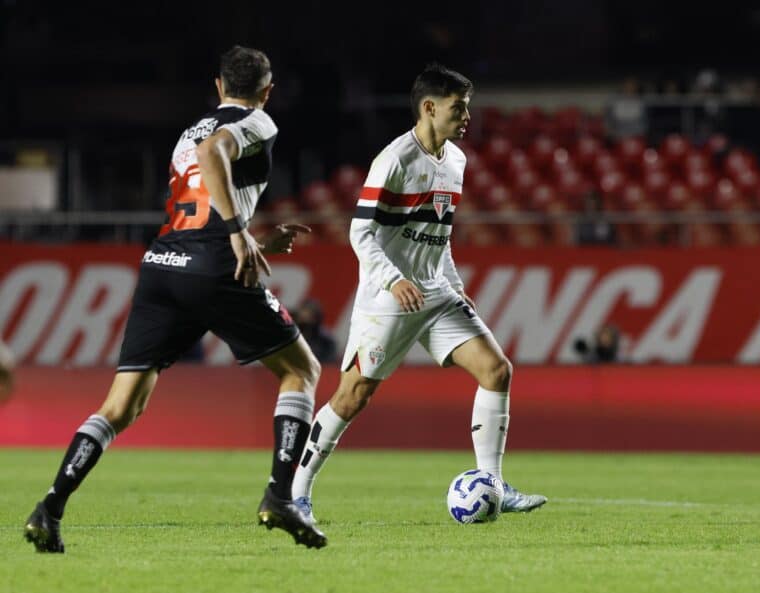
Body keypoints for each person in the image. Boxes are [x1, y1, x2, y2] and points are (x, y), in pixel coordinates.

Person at [23, 45, 326, 552]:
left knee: (120, 406)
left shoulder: (190, 132)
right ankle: (280, 496)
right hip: (213, 265)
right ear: (267, 92)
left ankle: (49, 507)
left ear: (217, 86)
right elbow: (217, 161)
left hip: (163, 265)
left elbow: (203, 185)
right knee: (301, 371)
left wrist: (251, 236)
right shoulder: (259, 121)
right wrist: (235, 235)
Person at [290, 63, 547, 526]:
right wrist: (394, 280)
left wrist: (455, 285)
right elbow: (361, 233)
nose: (467, 116)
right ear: (429, 108)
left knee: (496, 370)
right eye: (458, 108)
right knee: (351, 397)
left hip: (435, 293)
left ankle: (492, 481)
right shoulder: (395, 160)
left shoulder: (457, 161)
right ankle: (297, 493)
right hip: (389, 298)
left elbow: (438, 235)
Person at [292, 298, 337, 363]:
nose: (304, 315)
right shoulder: (289, 333)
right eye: (303, 311)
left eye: (308, 312)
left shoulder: (325, 341)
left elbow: (328, 362)